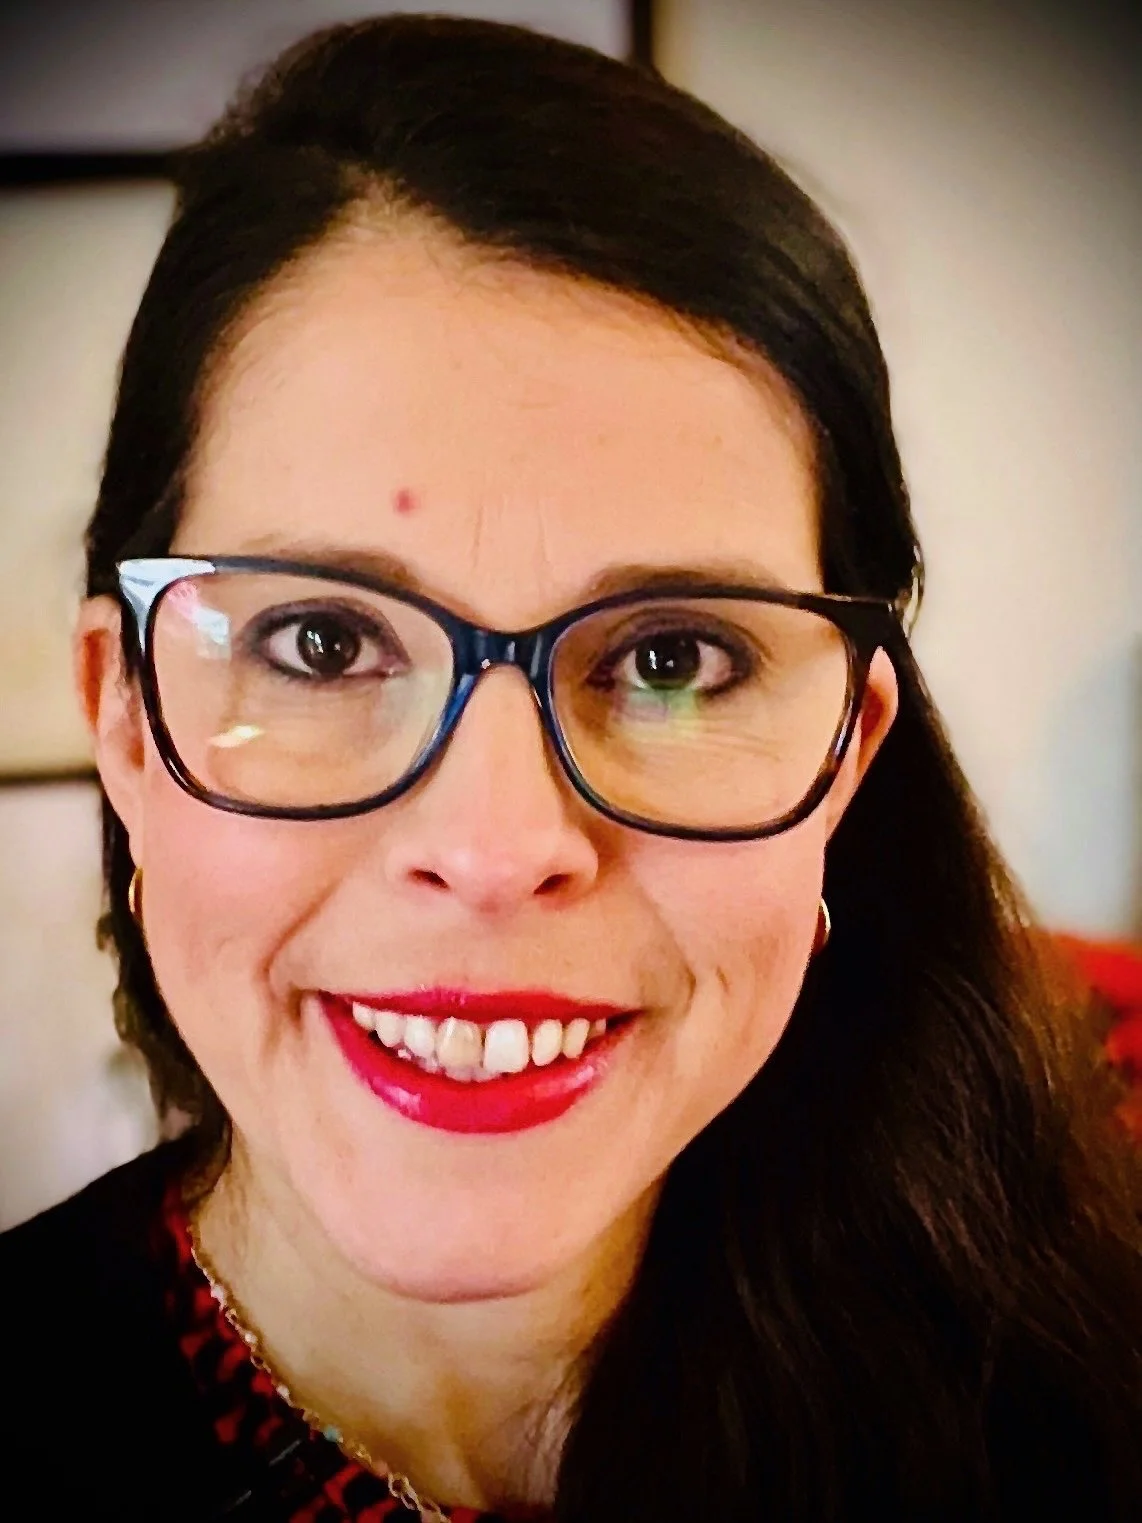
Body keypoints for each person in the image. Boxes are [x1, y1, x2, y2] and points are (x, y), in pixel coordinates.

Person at [2, 15, 1139, 1522]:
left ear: (848, 752)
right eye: (325, 644)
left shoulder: (1074, 1385)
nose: (493, 841)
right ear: (129, 719)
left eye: (669, 660)